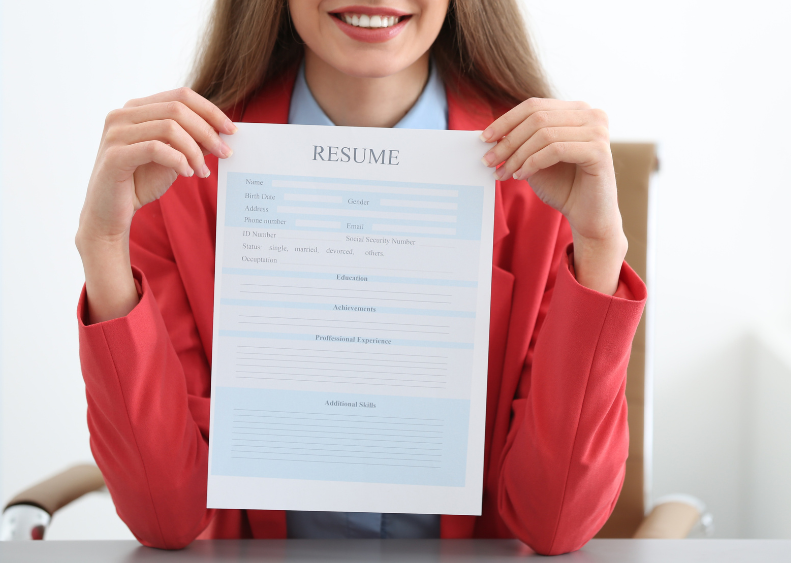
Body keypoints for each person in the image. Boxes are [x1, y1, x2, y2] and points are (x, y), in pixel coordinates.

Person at [75, 0, 646, 556]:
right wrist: (103, 247)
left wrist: (597, 249)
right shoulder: (180, 172)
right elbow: (165, 518)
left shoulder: (540, 179)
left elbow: (555, 526)